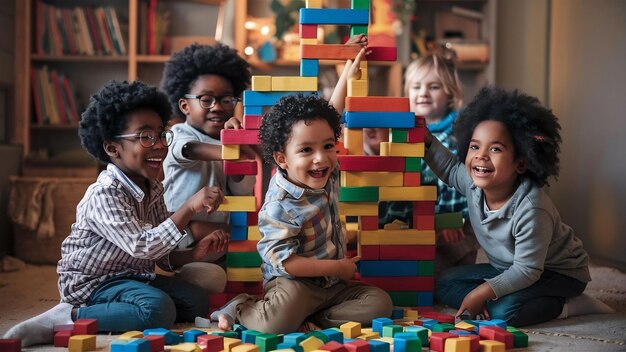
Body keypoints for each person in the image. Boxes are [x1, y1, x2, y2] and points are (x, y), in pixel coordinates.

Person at [3, 81, 225, 346]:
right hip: (93, 285)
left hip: (133, 276)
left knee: (196, 300)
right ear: (112, 148)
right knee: (157, 310)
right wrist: (189, 207)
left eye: (161, 134)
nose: (159, 145)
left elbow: (158, 251)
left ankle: (127, 309)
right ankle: (67, 316)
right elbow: (143, 245)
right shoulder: (105, 193)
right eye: (145, 137)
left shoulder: (153, 188)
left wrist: (191, 255)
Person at [209, 93, 393, 334]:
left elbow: (330, 115)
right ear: (282, 159)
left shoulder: (326, 172)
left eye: (328, 146)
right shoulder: (280, 204)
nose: (320, 158)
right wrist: (337, 268)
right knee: (274, 324)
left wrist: (349, 68)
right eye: (306, 150)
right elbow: (287, 263)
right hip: (293, 284)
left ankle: (313, 317)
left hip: (332, 286)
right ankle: (242, 307)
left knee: (380, 303)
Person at [428, 86, 593, 326]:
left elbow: (527, 270)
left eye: (495, 149)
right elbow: (451, 169)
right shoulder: (475, 184)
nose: (481, 156)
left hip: (558, 273)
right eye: (475, 146)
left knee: (504, 313)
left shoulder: (531, 208)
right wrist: (426, 141)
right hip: (508, 268)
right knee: (443, 282)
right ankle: (497, 301)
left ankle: (567, 305)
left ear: (521, 163)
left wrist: (480, 293)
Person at [160, 43, 256, 291]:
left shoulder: (223, 140)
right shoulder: (177, 135)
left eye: (226, 100)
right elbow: (190, 150)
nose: (217, 107)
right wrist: (234, 147)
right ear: (184, 106)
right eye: (206, 100)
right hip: (180, 239)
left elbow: (243, 191)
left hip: (219, 239)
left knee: (246, 268)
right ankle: (168, 277)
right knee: (212, 279)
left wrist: (238, 143)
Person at [376, 53, 479, 276]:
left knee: (452, 270)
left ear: (449, 94)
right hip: (414, 222)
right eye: (416, 87)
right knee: (411, 271)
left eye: (433, 87)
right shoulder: (398, 131)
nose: (423, 93)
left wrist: (450, 218)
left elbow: (460, 181)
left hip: (453, 226)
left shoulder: (457, 135)